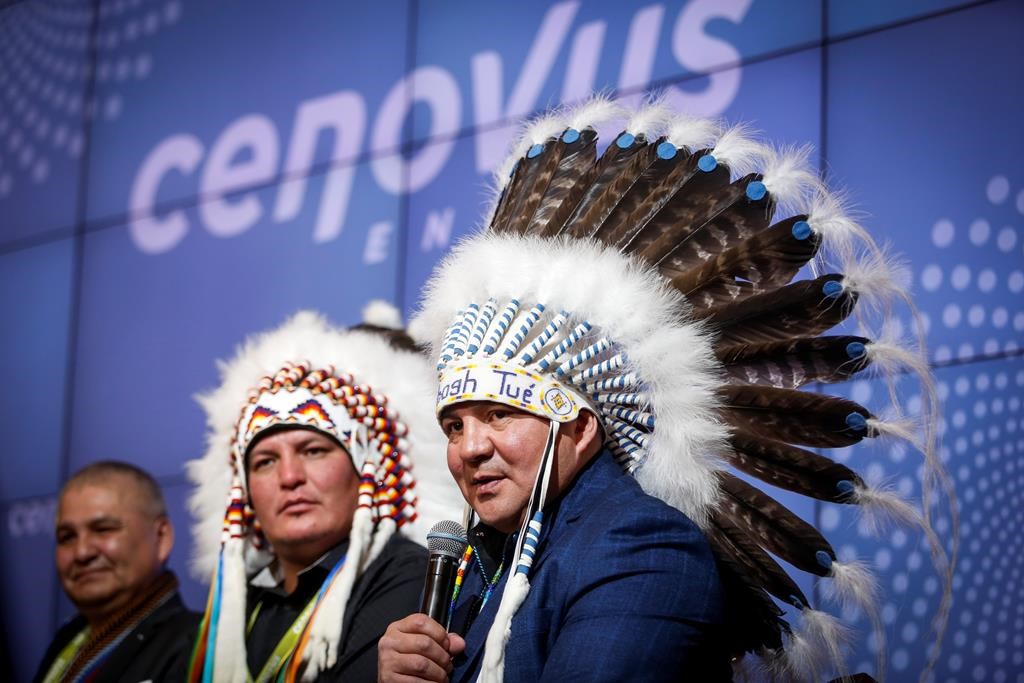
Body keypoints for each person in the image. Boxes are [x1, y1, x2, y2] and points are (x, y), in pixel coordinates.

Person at [379, 96, 954, 682]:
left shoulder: (643, 549)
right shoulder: (474, 567)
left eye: (500, 415)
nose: (469, 447)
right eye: (455, 424)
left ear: (580, 427)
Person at [186, 307, 461, 683]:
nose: (289, 477)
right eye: (265, 461)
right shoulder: (239, 604)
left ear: (365, 471)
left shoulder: (405, 574)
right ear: (244, 491)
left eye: (313, 451)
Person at [34, 461, 199, 683]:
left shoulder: (198, 648)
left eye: (103, 530)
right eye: (67, 537)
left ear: (161, 538)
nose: (82, 552)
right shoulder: (65, 643)